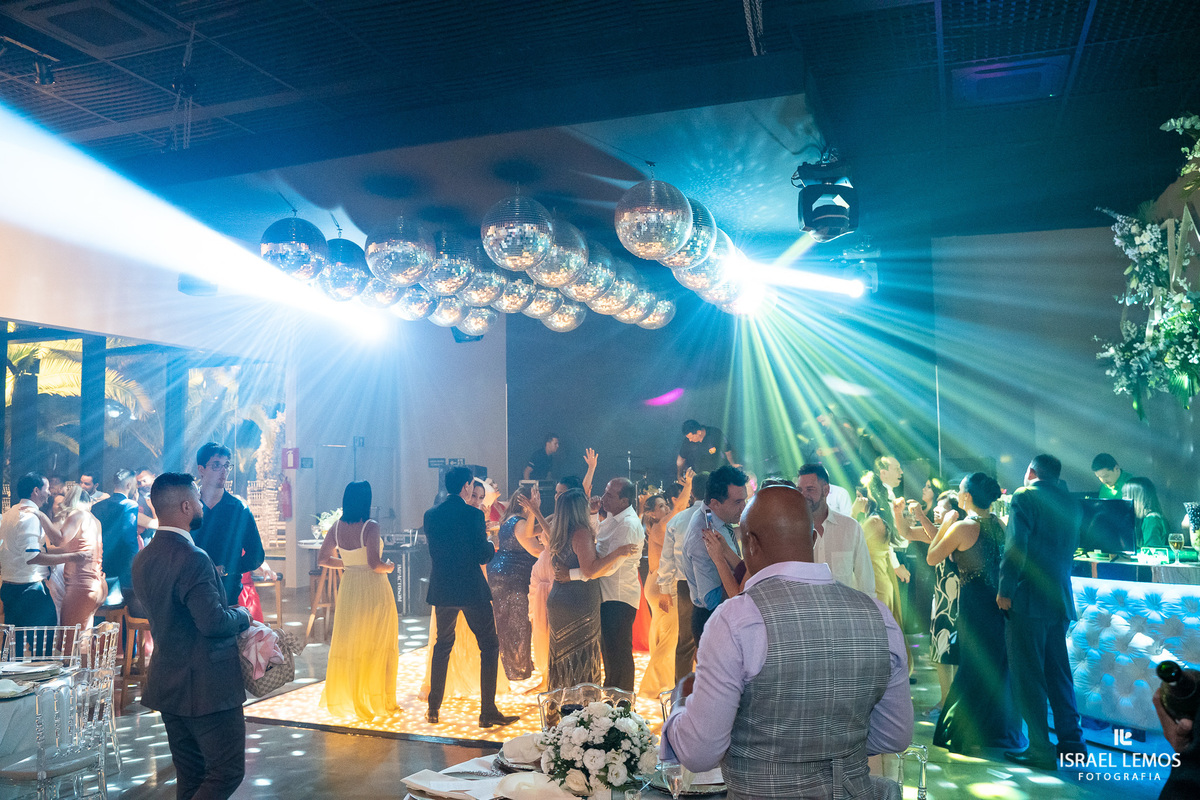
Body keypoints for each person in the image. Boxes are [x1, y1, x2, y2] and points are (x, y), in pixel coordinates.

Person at [660, 485, 913, 798]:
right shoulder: (878, 616)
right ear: (813, 538)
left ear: (750, 544)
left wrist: (681, 704)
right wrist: (835, 747)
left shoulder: (736, 620)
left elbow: (700, 753)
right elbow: (894, 736)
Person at [132, 472, 252, 800]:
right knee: (226, 772)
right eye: (197, 499)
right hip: (207, 686)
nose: (201, 505)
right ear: (186, 506)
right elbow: (213, 623)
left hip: (167, 682)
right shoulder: (192, 557)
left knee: (191, 774)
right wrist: (243, 615)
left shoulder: (143, 558)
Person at [999, 454, 1088, 769]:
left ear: (1031, 471)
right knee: (1059, 675)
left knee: (1029, 677)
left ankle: (1039, 748)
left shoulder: (1024, 496)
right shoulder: (1072, 502)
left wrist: (1005, 589)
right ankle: (1073, 745)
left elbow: (1016, 547)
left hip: (1028, 598)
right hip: (1059, 599)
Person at [928, 473, 1025, 755]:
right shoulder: (1001, 524)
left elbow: (932, 557)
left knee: (973, 667)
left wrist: (946, 524)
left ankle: (965, 730)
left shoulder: (962, 527)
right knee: (996, 667)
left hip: (974, 608)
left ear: (967, 496)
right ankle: (995, 731)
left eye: (960, 490)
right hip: (999, 607)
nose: (958, 494)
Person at [423, 466, 518, 728]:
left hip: (442, 588)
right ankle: (487, 711)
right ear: (466, 486)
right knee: (489, 645)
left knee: (443, 644)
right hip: (470, 587)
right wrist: (489, 541)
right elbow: (483, 556)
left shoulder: (430, 515)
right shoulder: (473, 515)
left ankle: (433, 708)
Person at [318, 481, 398, 720]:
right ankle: (377, 698)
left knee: (352, 641)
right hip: (373, 588)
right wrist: (389, 567)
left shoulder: (336, 527)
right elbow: (374, 564)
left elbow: (323, 559)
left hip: (350, 587)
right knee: (377, 640)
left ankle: (351, 696)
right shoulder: (371, 526)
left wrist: (349, 563)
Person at [544, 489, 636, 689]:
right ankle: (580, 705)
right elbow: (590, 569)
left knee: (562, 658)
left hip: (559, 598)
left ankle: (560, 704)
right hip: (578, 602)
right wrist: (618, 553)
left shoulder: (559, 531)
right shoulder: (580, 533)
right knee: (581, 658)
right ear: (579, 508)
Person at [0, 473, 80, 632]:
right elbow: (33, 557)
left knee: (14, 641)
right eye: (47, 488)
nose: (49, 493)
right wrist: (72, 557)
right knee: (46, 639)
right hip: (28, 589)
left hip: (9, 587)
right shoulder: (30, 516)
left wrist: (65, 550)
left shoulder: (9, 513)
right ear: (36, 491)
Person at [192, 443, 265, 608]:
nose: (223, 471)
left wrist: (225, 569)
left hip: (228, 592)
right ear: (201, 469)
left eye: (226, 466)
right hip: (191, 588)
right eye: (216, 465)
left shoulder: (239, 509)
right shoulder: (189, 506)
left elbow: (256, 555)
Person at [909, 491, 963, 711]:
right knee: (941, 651)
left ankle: (954, 701)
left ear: (955, 511)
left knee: (954, 650)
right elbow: (906, 533)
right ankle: (945, 699)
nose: (938, 510)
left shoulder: (958, 530)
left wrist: (921, 517)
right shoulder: (942, 529)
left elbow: (937, 543)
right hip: (942, 597)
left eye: (943, 507)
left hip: (956, 597)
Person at [589, 477, 644, 692]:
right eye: (605, 492)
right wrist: (593, 514)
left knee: (618, 655)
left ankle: (623, 705)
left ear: (624, 501)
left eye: (610, 495)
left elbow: (610, 566)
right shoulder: (613, 517)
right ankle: (613, 701)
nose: (603, 498)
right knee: (610, 654)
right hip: (608, 594)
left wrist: (580, 572)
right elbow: (597, 540)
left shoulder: (627, 524)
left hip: (619, 597)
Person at [681, 466, 749, 640]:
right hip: (714, 621)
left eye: (745, 500)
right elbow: (710, 600)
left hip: (725, 616)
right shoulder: (703, 535)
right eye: (737, 502)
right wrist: (742, 584)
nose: (744, 507)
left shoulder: (714, 517)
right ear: (715, 503)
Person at [488, 487, 542, 681]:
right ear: (527, 503)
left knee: (507, 621)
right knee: (516, 622)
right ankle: (516, 669)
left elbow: (534, 530)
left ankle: (516, 665)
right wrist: (555, 548)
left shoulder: (510, 519)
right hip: (512, 577)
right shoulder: (520, 522)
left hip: (504, 574)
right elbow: (535, 550)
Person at [795, 464, 875, 595]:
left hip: (843, 606)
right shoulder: (792, 530)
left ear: (826, 490)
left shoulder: (850, 527)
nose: (803, 495)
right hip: (807, 607)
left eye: (810, 489)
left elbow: (865, 579)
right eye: (800, 490)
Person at [658, 470, 702, 683]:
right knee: (712, 638)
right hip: (714, 582)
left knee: (685, 641)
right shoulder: (717, 517)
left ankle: (681, 691)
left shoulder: (678, 519)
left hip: (684, 584)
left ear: (692, 493)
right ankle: (709, 689)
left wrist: (665, 588)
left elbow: (666, 558)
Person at [47, 482, 107, 631]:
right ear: (89, 502)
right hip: (96, 584)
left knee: (70, 639)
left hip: (80, 586)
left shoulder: (78, 514)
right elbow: (68, 548)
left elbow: (60, 540)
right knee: (83, 637)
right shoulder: (95, 520)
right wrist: (45, 550)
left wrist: (42, 518)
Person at [639, 493, 679, 698]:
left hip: (654, 582)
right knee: (670, 636)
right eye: (661, 506)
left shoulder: (657, 528)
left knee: (661, 633)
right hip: (663, 585)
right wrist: (689, 486)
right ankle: (653, 686)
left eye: (665, 505)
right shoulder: (658, 526)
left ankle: (663, 681)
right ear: (652, 513)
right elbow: (678, 509)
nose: (666, 509)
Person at [92, 469, 141, 613]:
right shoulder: (130, 505)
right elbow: (128, 537)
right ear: (128, 485)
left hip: (102, 559)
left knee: (102, 604)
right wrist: (135, 561)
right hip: (123, 563)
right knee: (126, 605)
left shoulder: (97, 506)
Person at [1122, 476, 1169, 548]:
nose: (1123, 499)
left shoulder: (1152, 519)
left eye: (1126, 495)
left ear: (1139, 497)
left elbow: (1152, 550)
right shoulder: (1141, 519)